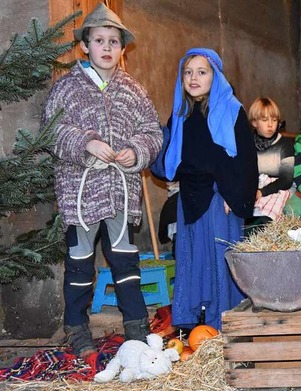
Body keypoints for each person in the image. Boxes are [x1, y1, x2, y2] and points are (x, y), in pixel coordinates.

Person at [42, 3, 163, 357]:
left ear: (123, 48)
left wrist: (136, 152)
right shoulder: (67, 89)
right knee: (80, 262)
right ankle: (77, 327)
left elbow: (152, 131)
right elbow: (52, 131)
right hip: (81, 192)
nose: (107, 48)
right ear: (85, 46)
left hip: (121, 192)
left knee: (126, 261)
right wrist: (86, 143)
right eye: (99, 40)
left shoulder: (133, 91)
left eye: (113, 41)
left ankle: (136, 325)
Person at [150, 48, 258, 331]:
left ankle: (223, 317)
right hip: (190, 194)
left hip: (220, 195)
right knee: (192, 253)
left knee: (218, 255)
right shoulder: (181, 114)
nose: (193, 78)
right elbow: (172, 155)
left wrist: (234, 195)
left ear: (216, 76)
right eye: (188, 72)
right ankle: (194, 315)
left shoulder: (231, 110)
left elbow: (245, 159)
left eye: (202, 72)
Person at [245, 97, 295, 233]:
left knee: (267, 215)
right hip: (254, 186)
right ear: (254, 122)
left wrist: (262, 191)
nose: (270, 125)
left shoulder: (285, 145)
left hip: (277, 188)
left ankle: (258, 231)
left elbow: (287, 179)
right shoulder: (246, 144)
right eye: (265, 120)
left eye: (274, 120)